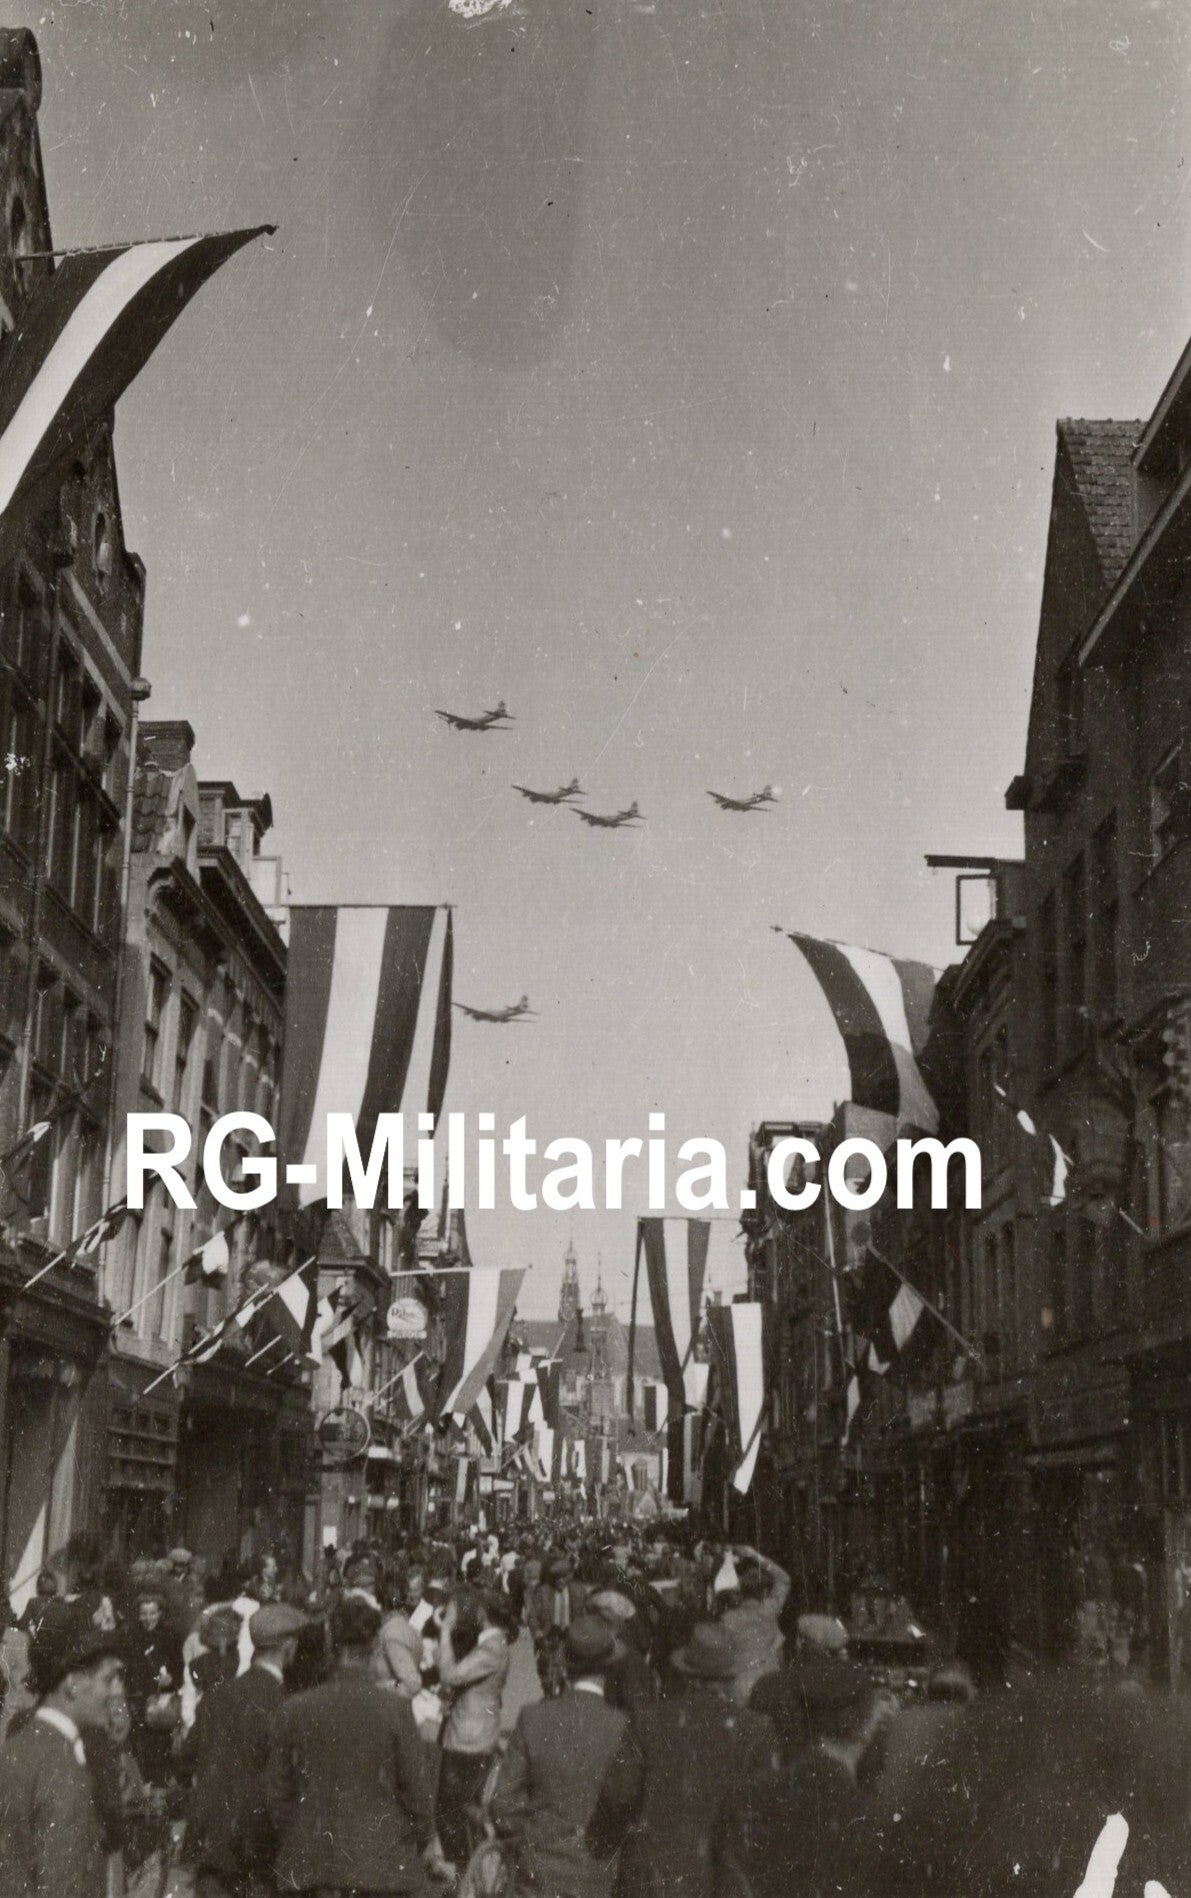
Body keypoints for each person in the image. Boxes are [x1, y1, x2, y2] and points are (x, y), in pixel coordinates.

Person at [266, 1595, 448, 1894]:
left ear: (331, 1644)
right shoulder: (395, 1710)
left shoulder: (296, 1707)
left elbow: (278, 1792)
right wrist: (426, 1838)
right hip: (377, 1865)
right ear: (376, 1646)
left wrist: (298, 1831)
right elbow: (416, 1791)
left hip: (310, 1862)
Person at [590, 1622, 781, 1898]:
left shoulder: (649, 1721)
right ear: (729, 1678)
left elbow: (618, 1795)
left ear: (686, 1674)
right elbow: (766, 1815)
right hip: (721, 1880)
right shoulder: (755, 1729)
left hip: (654, 1880)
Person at [492, 1616, 629, 1898]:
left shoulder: (534, 1718)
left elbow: (502, 1803)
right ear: (610, 1669)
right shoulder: (623, 1727)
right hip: (598, 1877)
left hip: (538, 1874)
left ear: (565, 1667)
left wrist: (529, 1838)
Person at [183, 1599, 307, 1898]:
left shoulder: (218, 1695)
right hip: (258, 1853)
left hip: (212, 1847)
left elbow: (187, 1755)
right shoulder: (286, 1705)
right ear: (288, 1646)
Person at [0, 1629, 125, 1897]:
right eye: (109, 1679)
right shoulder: (64, 1766)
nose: (118, 1690)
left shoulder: (17, 1746)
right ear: (73, 1684)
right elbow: (61, 1886)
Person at [436, 1586, 510, 1865]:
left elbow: (449, 1675)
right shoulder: (492, 1644)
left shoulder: (492, 1647)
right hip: (473, 1734)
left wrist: (445, 1629)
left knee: (451, 1813)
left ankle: (465, 1877)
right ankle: (468, 1876)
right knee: (462, 1812)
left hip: (469, 1738)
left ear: (483, 1613)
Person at [714, 1543, 791, 1704]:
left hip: (740, 1689)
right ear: (763, 1592)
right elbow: (784, 1579)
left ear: (739, 1594)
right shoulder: (769, 1610)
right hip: (771, 1684)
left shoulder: (727, 1619)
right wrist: (756, 1556)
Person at [527, 1554, 588, 1697]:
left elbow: (586, 1614)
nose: (560, 1581)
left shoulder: (579, 1591)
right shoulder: (543, 1591)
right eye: (557, 1578)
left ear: (570, 1576)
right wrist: (537, 1632)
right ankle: (548, 1691)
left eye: (564, 1577)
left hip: (570, 1634)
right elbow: (532, 1615)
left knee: (573, 1671)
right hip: (548, 1635)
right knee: (546, 1670)